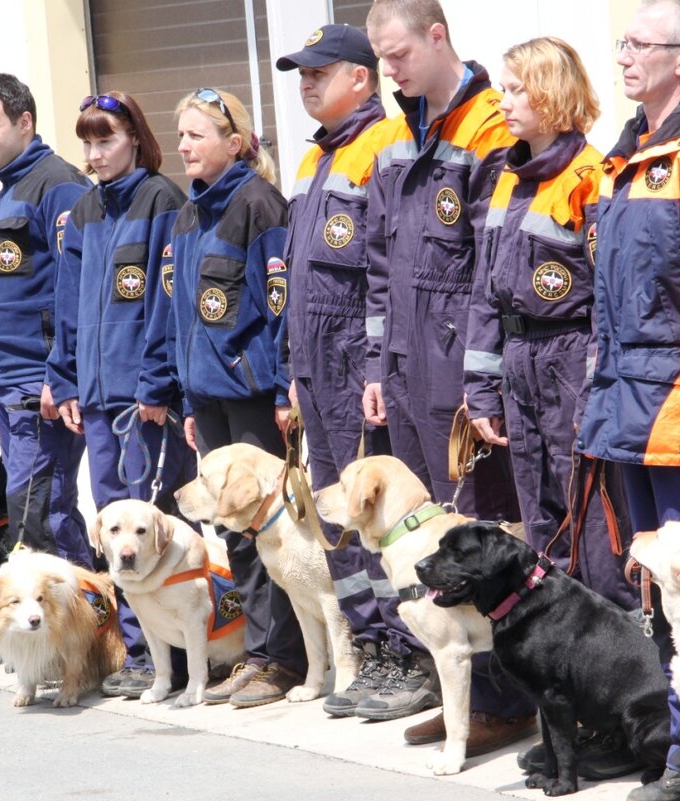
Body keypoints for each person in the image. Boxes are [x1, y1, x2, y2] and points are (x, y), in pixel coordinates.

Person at [575, 1, 680, 799]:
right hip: (622, 409)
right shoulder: (625, 153)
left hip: (674, 413)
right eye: (622, 42)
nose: (623, 56)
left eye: (639, 44)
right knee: (659, 593)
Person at [463, 36, 640, 777]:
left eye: (513, 89)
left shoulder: (590, 177)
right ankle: (566, 730)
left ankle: (620, 727)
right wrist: (479, 387)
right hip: (519, 363)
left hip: (569, 362)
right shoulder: (505, 177)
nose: (501, 102)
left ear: (551, 94)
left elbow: (607, 299)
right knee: (541, 543)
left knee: (591, 547)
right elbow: (483, 290)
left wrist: (597, 390)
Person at [363, 0, 536, 749]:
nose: (390, 69)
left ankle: (503, 699)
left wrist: (480, 375)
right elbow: (377, 262)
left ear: (437, 36)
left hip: (455, 368)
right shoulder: (398, 137)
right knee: (427, 537)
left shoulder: (489, 129)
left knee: (476, 528)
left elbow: (490, 269)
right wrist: (375, 362)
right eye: (381, 57)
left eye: (399, 53)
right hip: (402, 367)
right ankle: (456, 690)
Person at [274, 22, 432, 720]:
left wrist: (373, 364)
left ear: (360, 78)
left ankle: (407, 655)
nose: (307, 85)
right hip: (313, 365)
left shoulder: (385, 144)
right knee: (335, 520)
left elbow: (385, 274)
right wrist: (290, 370)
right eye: (302, 76)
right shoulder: (312, 161)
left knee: (374, 521)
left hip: (354, 363)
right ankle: (369, 648)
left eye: (319, 73)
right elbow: (297, 282)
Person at [45, 90, 189, 699]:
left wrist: (157, 380)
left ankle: (181, 654)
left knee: (156, 527)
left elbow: (167, 301)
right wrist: (63, 377)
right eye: (88, 142)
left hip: (144, 398)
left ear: (135, 137)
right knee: (114, 533)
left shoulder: (163, 200)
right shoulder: (85, 210)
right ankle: (137, 648)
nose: (96, 153)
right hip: (99, 399)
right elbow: (69, 304)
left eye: (106, 140)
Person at [168, 87, 307, 708]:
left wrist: (282, 389)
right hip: (208, 396)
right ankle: (257, 650)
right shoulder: (189, 210)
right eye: (181, 136)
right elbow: (180, 315)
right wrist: (187, 397)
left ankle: (284, 658)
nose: (185, 146)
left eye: (197, 135)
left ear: (235, 141)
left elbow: (280, 310)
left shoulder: (258, 204)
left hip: (253, 395)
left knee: (270, 530)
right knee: (235, 531)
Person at [0, 73, 92, 571]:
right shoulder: (2, 197)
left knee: (46, 515)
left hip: (42, 389)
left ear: (25, 121)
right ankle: (60, 642)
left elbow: (73, 293)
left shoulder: (57, 186)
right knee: (29, 517)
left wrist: (61, 376)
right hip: (6, 387)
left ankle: (90, 640)